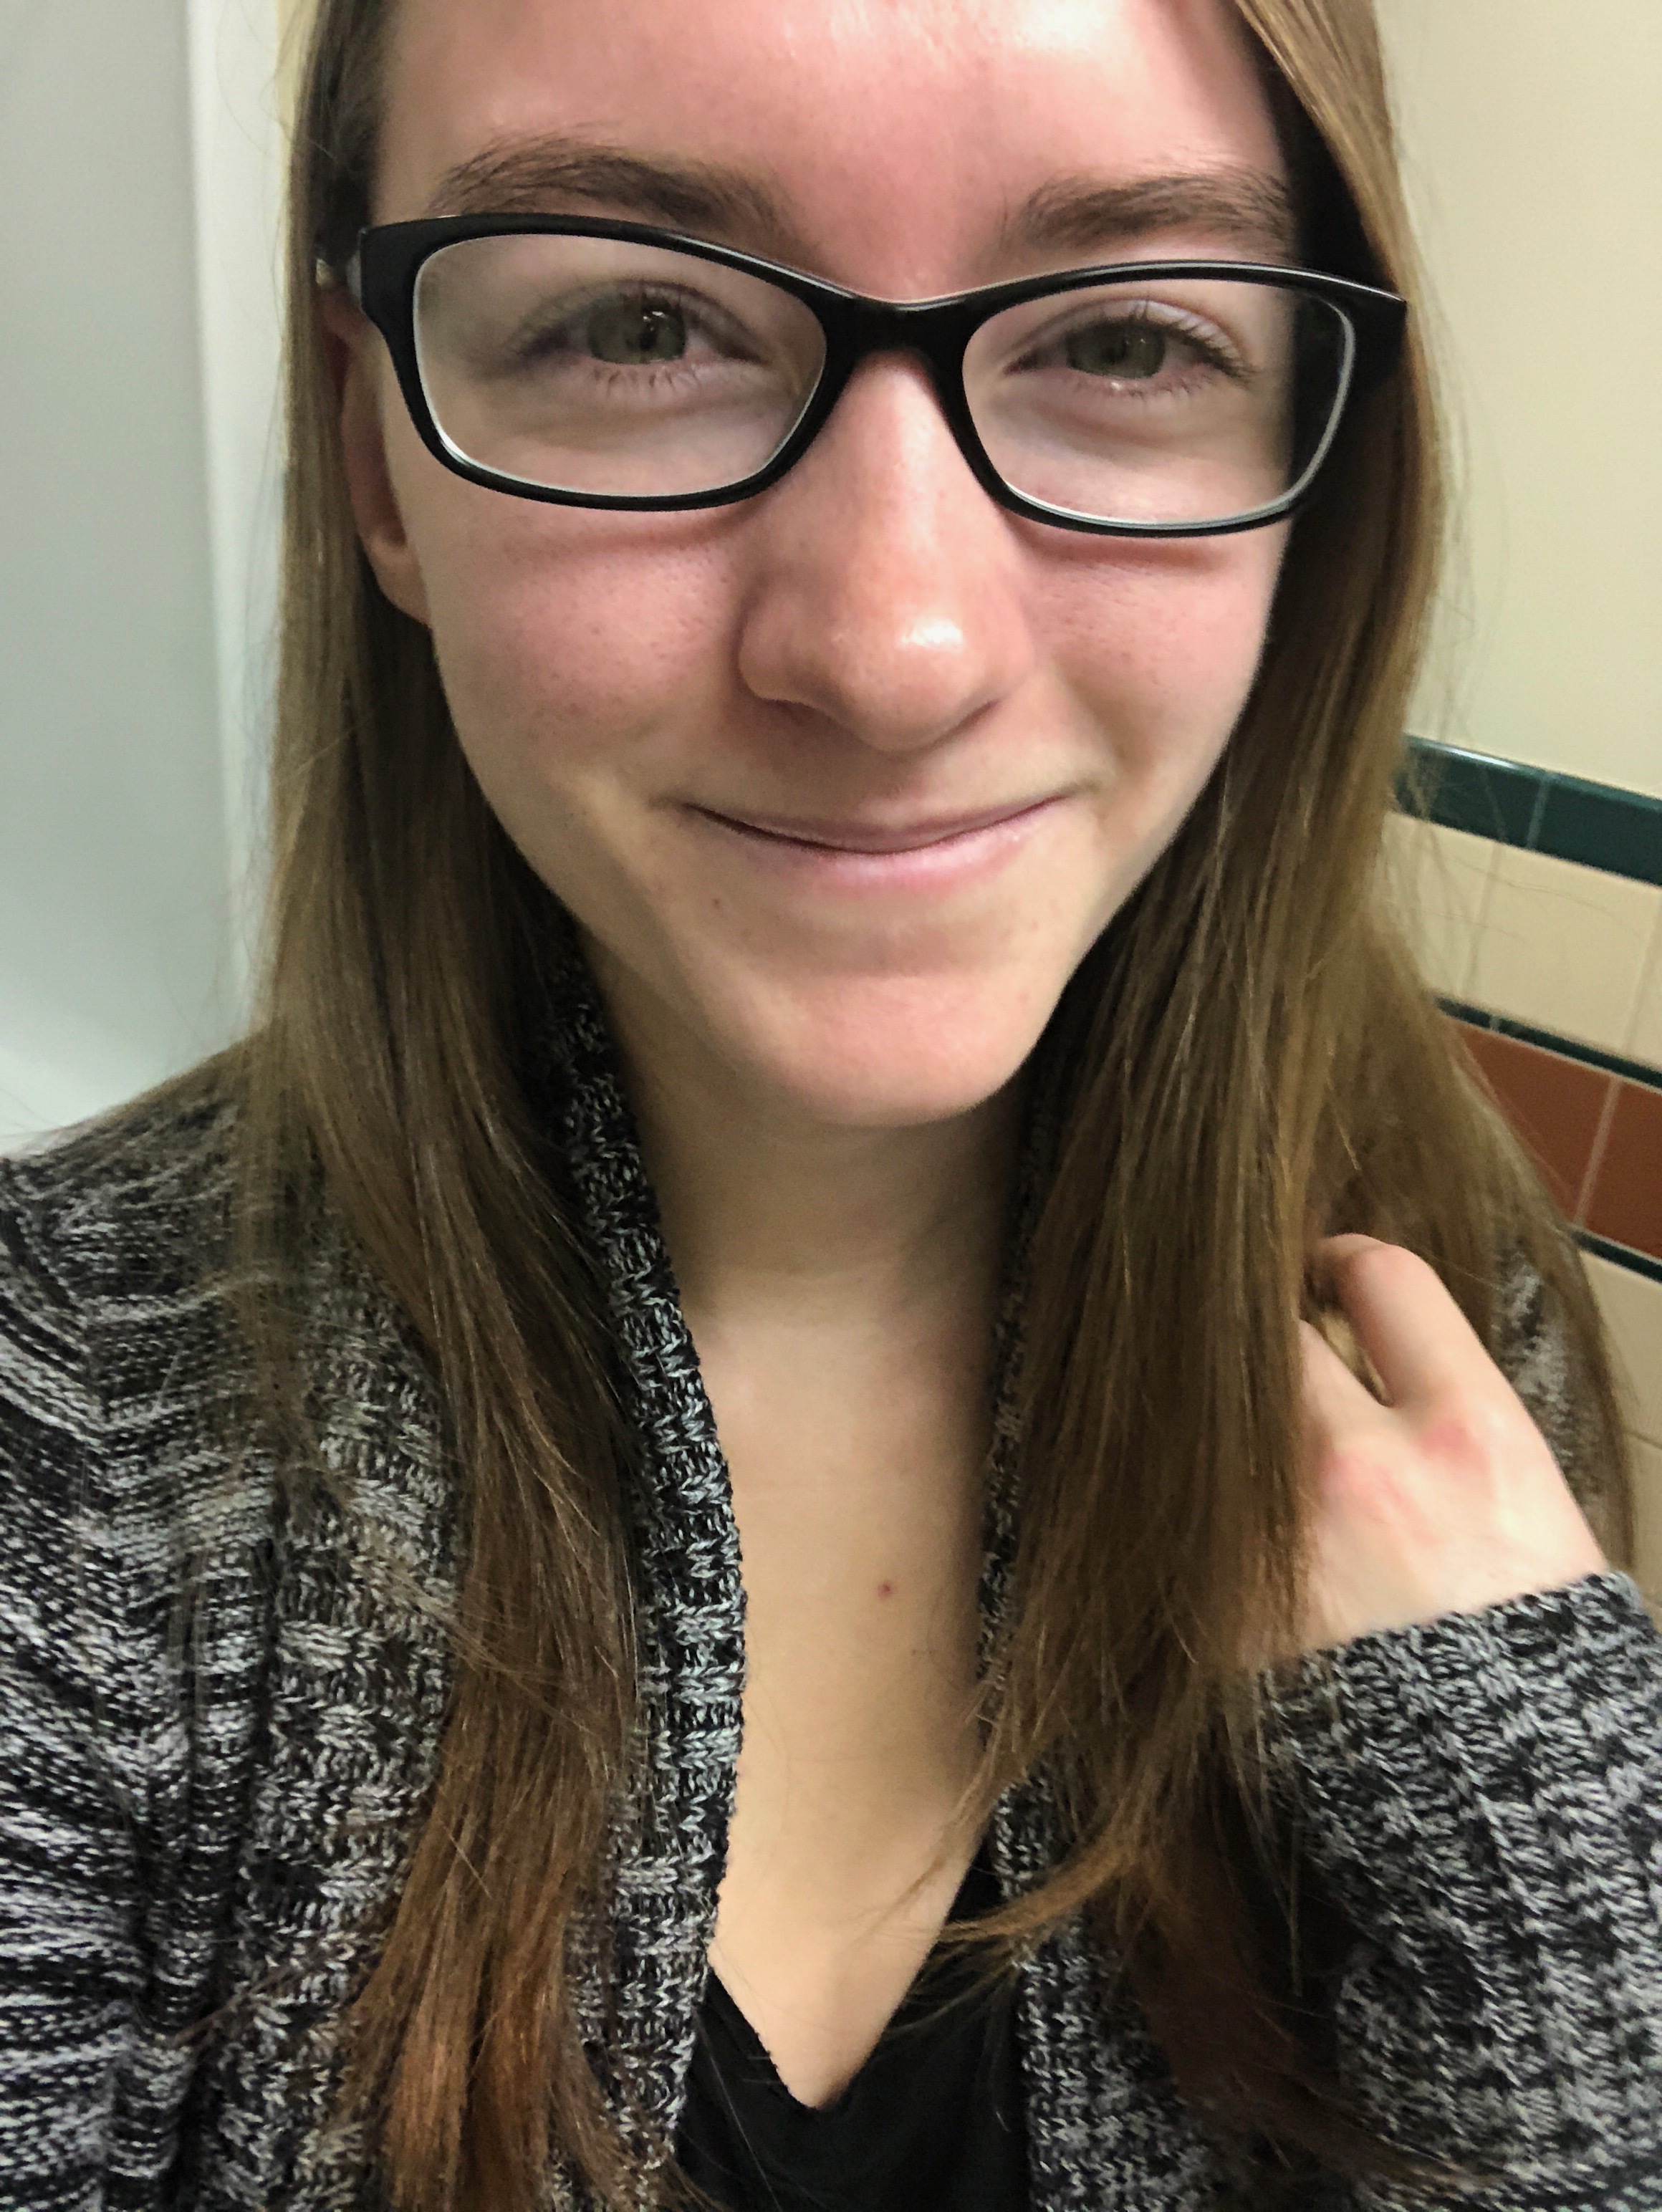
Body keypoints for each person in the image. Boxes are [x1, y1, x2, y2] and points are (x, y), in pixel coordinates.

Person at [1, 0, 1658, 2206]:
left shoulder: (1426, 1335)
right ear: (378, 454)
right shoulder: (62, 1441)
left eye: (1127, 342)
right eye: (638, 324)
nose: (894, 654)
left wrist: (1530, 1861)